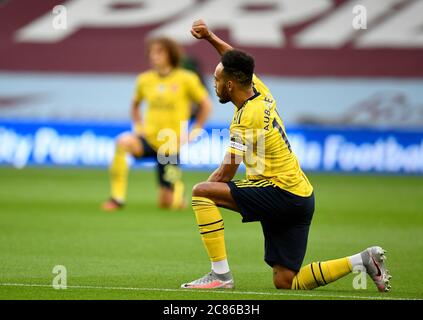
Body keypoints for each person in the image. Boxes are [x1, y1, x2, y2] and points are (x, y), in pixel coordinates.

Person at [180, 19, 392, 291]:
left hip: (279, 192)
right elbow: (236, 61)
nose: (214, 83)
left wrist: (206, 198)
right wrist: (210, 37)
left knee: (202, 191)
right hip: (300, 196)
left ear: (230, 85)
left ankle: (220, 276)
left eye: (218, 79)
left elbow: (225, 174)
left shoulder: (246, 118)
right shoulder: (259, 92)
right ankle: (362, 260)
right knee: (286, 281)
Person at [102, 37, 212, 211]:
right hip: (148, 139)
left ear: (171, 54)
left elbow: (206, 104)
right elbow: (135, 105)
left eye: (159, 52)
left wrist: (195, 130)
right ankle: (117, 198)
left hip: (170, 145)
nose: (154, 56)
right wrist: (138, 126)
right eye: (152, 52)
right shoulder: (144, 80)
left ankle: (177, 193)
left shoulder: (186, 79)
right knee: (123, 143)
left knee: (168, 204)